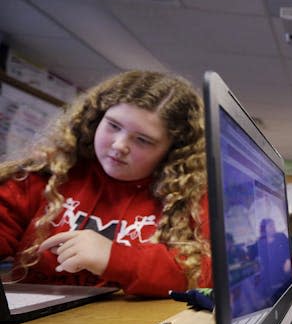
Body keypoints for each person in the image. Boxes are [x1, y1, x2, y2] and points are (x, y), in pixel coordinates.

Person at [0, 70, 211, 297]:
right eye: (113, 126)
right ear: (96, 119)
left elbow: (205, 277)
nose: (120, 145)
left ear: (172, 151)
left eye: (142, 140)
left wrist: (114, 258)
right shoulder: (44, 174)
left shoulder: (190, 198)